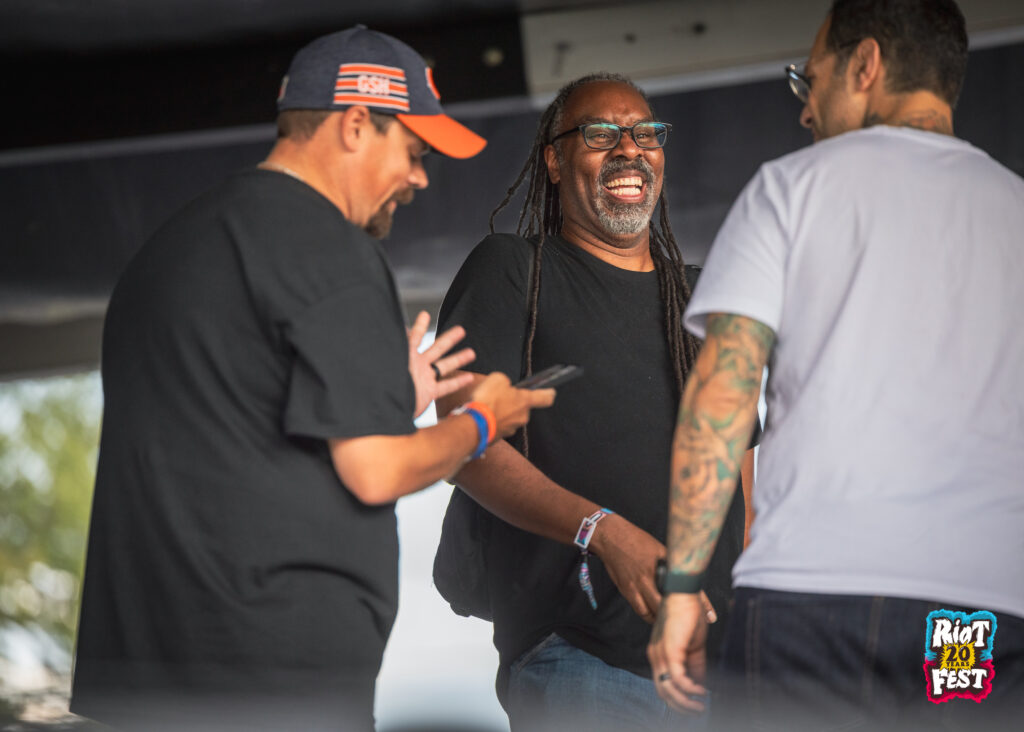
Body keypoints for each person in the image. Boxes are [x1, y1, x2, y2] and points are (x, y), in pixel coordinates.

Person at [70, 25, 554, 731]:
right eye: (414, 152)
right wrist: (483, 421)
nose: (420, 178)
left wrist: (388, 395)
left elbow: (230, 423)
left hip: (150, 673)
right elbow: (376, 471)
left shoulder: (170, 249)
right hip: (275, 673)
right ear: (355, 124)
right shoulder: (330, 246)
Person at [648, 1, 1024, 730]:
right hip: (975, 613)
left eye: (810, 79)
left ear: (866, 65)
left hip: (808, 603)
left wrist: (684, 586)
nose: (805, 108)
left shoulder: (791, 188)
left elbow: (722, 397)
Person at [433, 73, 758, 731]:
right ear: (554, 161)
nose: (630, 149)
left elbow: (739, 484)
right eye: (601, 133)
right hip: (581, 659)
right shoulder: (512, 270)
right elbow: (463, 441)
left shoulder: (704, 299)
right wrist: (601, 531)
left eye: (646, 134)